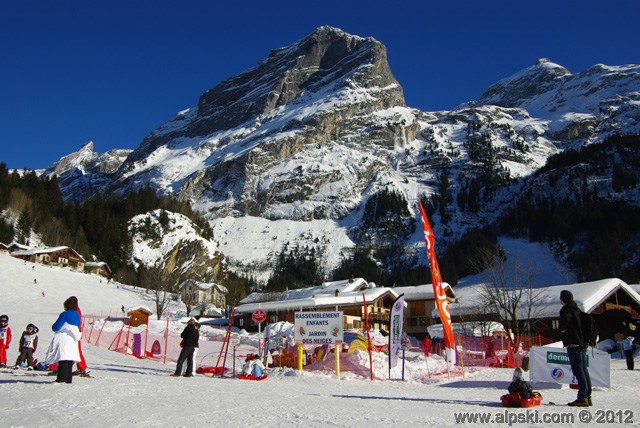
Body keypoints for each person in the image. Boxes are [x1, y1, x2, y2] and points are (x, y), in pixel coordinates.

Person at [559, 290, 592, 407]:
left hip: (574, 343)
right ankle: (587, 395)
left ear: (562, 299)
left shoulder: (566, 310)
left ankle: (582, 396)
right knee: (583, 369)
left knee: (578, 370)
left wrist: (562, 329)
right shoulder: (577, 309)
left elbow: (563, 325)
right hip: (583, 342)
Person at [45, 296, 82, 383]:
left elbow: (56, 327)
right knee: (69, 361)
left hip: (64, 339)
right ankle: (68, 379)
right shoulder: (77, 315)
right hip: (73, 340)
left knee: (63, 360)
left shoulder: (64, 314)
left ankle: (61, 379)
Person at [67, 296, 88, 376]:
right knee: (75, 350)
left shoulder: (75, 311)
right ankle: (80, 367)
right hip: (74, 332)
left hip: (74, 333)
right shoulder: (75, 310)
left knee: (76, 350)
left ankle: (81, 367)